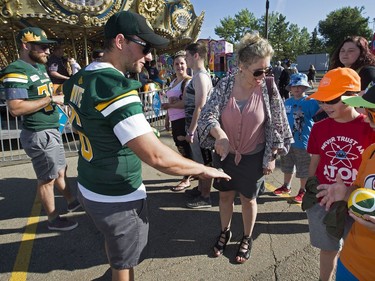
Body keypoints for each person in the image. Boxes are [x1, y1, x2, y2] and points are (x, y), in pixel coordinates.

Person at [62, 11, 230, 281]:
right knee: (124, 261)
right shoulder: (114, 86)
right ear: (120, 41)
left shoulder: (78, 78)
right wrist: (204, 170)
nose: (150, 56)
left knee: (119, 254)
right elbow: (155, 155)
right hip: (117, 196)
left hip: (91, 185)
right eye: (145, 46)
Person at [198, 32, 293, 263]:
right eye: (258, 71)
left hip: (253, 156)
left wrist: (271, 155)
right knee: (225, 197)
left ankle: (247, 237)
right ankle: (225, 231)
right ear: (241, 65)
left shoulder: (268, 88)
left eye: (267, 70)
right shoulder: (225, 84)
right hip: (225, 155)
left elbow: (278, 124)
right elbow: (207, 114)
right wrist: (219, 134)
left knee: (249, 199)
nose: (263, 76)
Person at [1, 27, 80, 231]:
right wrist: (51, 99)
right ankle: (53, 219)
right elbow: (15, 108)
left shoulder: (36, 67)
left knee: (61, 170)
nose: (47, 51)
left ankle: (72, 201)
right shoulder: (16, 70)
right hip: (39, 133)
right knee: (47, 179)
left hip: (50, 129)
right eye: (43, 47)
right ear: (26, 46)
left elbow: (43, 91)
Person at [302, 68, 375, 281]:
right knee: (328, 248)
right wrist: (309, 187)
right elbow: (314, 161)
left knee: (353, 247)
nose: (324, 105)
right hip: (324, 199)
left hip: (357, 203)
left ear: (352, 98)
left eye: (331, 100)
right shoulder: (319, 127)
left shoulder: (369, 127)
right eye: (321, 100)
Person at [273, 73, 320, 203]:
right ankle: (286, 186)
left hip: (304, 142)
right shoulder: (286, 102)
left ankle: (303, 190)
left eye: (300, 86)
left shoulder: (311, 102)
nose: (297, 89)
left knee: (304, 168)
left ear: (305, 88)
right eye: (294, 86)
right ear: (290, 88)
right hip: (288, 142)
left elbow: (319, 120)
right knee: (287, 165)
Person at [183, 41, 215, 209]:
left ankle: (205, 196)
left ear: (196, 56)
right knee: (199, 161)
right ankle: (201, 189)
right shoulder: (197, 75)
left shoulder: (201, 76)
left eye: (187, 56)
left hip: (200, 129)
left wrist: (192, 130)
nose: (185, 59)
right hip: (196, 128)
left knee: (204, 162)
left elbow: (200, 106)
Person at [162, 51, 193, 191]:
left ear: (186, 65)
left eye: (182, 63)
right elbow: (172, 101)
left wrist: (169, 106)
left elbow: (185, 103)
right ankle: (192, 171)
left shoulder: (188, 81)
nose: (179, 66)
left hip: (184, 120)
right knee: (181, 147)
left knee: (184, 148)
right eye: (176, 64)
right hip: (174, 119)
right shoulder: (174, 81)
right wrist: (167, 118)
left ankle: (186, 177)